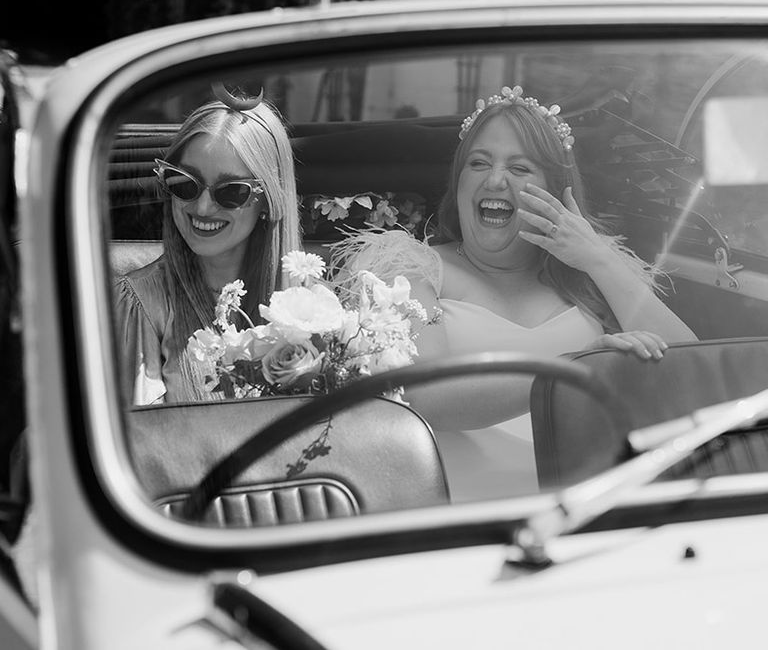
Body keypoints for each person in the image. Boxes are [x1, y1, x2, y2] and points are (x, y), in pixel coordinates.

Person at [330, 84, 697, 501]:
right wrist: (572, 371)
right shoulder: (412, 268)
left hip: (588, 512)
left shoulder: (589, 275)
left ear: (557, 192)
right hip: (462, 519)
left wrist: (598, 256)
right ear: (458, 181)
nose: (496, 179)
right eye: (478, 163)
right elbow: (422, 397)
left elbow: (690, 365)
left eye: (520, 169)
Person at [113, 86, 301, 405]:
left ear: (268, 200)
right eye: (184, 184)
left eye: (232, 193)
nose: (202, 208)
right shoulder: (143, 305)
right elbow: (138, 442)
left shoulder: (314, 305)